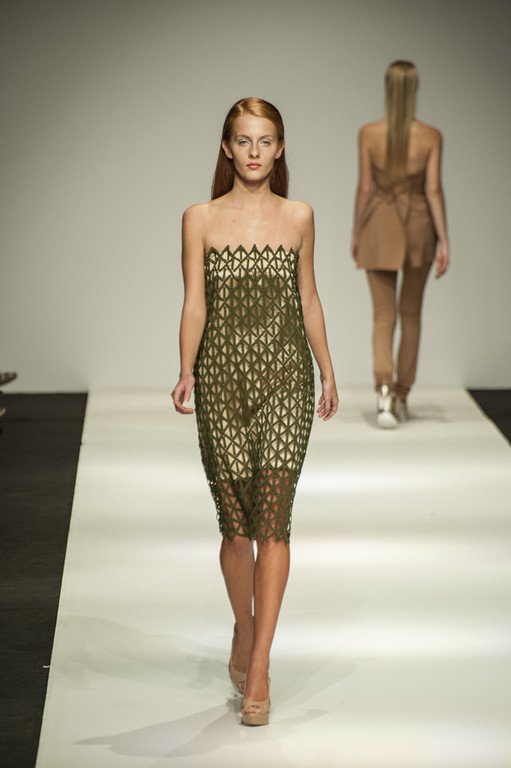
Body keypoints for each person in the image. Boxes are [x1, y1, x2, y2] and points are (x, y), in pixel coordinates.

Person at [171, 97, 338, 726]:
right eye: (244, 141)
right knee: (236, 532)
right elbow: (194, 303)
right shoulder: (199, 219)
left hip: (285, 379)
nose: (254, 152)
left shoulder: (299, 216)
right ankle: (243, 629)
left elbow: (309, 298)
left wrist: (327, 369)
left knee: (273, 524)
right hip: (221, 382)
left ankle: (260, 664)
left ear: (280, 148)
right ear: (226, 147)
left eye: (265, 141)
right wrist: (186, 369)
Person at [351, 60, 449, 428]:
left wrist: (356, 231)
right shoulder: (431, 136)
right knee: (410, 315)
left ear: (387, 88)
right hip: (419, 226)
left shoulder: (368, 134)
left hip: (379, 224)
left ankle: (383, 392)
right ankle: (403, 394)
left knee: (383, 315)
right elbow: (433, 190)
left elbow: (365, 188)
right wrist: (444, 239)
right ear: (416, 88)